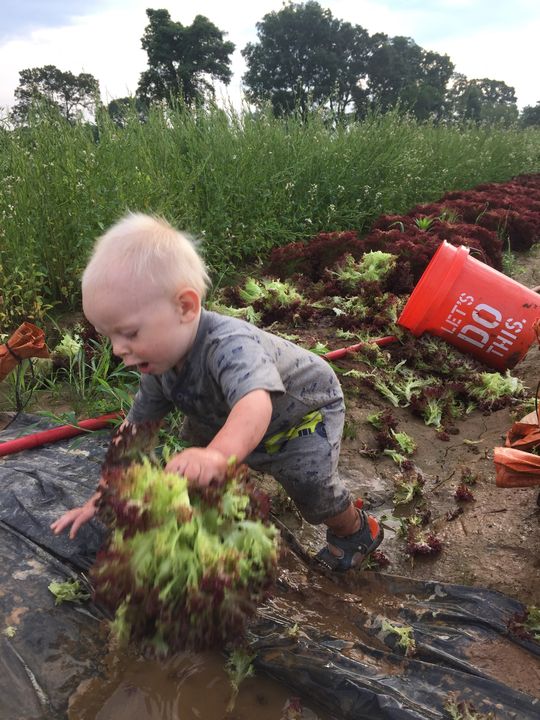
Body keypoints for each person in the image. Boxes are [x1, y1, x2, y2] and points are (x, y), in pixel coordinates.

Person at [51, 213, 383, 571]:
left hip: (301, 411)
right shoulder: (158, 366)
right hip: (223, 414)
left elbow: (255, 403)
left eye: (129, 334)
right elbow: (133, 434)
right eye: (109, 337)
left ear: (185, 307)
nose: (118, 349)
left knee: (309, 483)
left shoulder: (229, 345)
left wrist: (217, 456)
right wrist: (105, 495)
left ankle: (354, 530)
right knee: (194, 467)